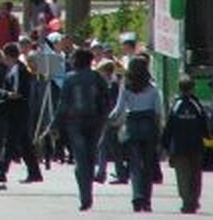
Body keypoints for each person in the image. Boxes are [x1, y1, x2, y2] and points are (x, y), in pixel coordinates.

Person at [55, 46, 110, 211]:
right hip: (95, 121)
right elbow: (106, 101)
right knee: (91, 157)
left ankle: (85, 196)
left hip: (75, 122)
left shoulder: (70, 79)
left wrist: (56, 124)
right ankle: (88, 191)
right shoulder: (98, 77)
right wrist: (103, 119)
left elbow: (63, 104)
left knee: (80, 159)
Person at [109, 54, 164, 213]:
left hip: (132, 125)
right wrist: (160, 129)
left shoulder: (126, 86)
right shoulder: (153, 87)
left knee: (134, 165)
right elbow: (158, 112)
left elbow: (119, 109)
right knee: (147, 165)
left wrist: (109, 120)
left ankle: (137, 196)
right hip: (148, 125)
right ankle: (147, 201)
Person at [0, 42, 43, 188]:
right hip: (17, 111)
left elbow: (16, 93)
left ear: (8, 55)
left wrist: (0, 94)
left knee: (9, 143)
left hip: (18, 111)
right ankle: (34, 172)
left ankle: (1, 172)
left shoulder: (18, 69)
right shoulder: (14, 69)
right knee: (25, 144)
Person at [161, 74, 210, 215]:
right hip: (196, 146)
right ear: (193, 89)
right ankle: (193, 200)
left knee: (182, 175)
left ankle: (186, 201)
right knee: (195, 175)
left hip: (178, 147)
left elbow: (169, 126)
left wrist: (164, 144)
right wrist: (207, 138)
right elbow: (204, 125)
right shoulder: (197, 105)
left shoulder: (176, 106)